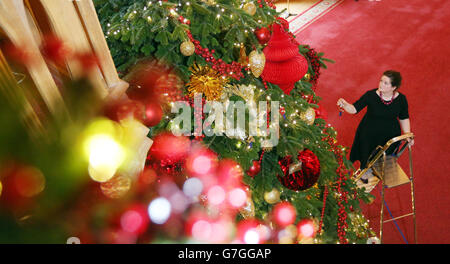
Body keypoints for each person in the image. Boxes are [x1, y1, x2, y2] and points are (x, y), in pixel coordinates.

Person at [337, 70, 414, 184]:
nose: (381, 84)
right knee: (366, 154)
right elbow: (354, 109)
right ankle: (365, 170)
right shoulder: (371, 95)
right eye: (381, 81)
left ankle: (378, 167)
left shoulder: (401, 99)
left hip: (389, 135)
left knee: (384, 156)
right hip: (369, 133)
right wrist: (345, 104)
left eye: (386, 83)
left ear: (394, 87)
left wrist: (408, 133)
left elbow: (404, 117)